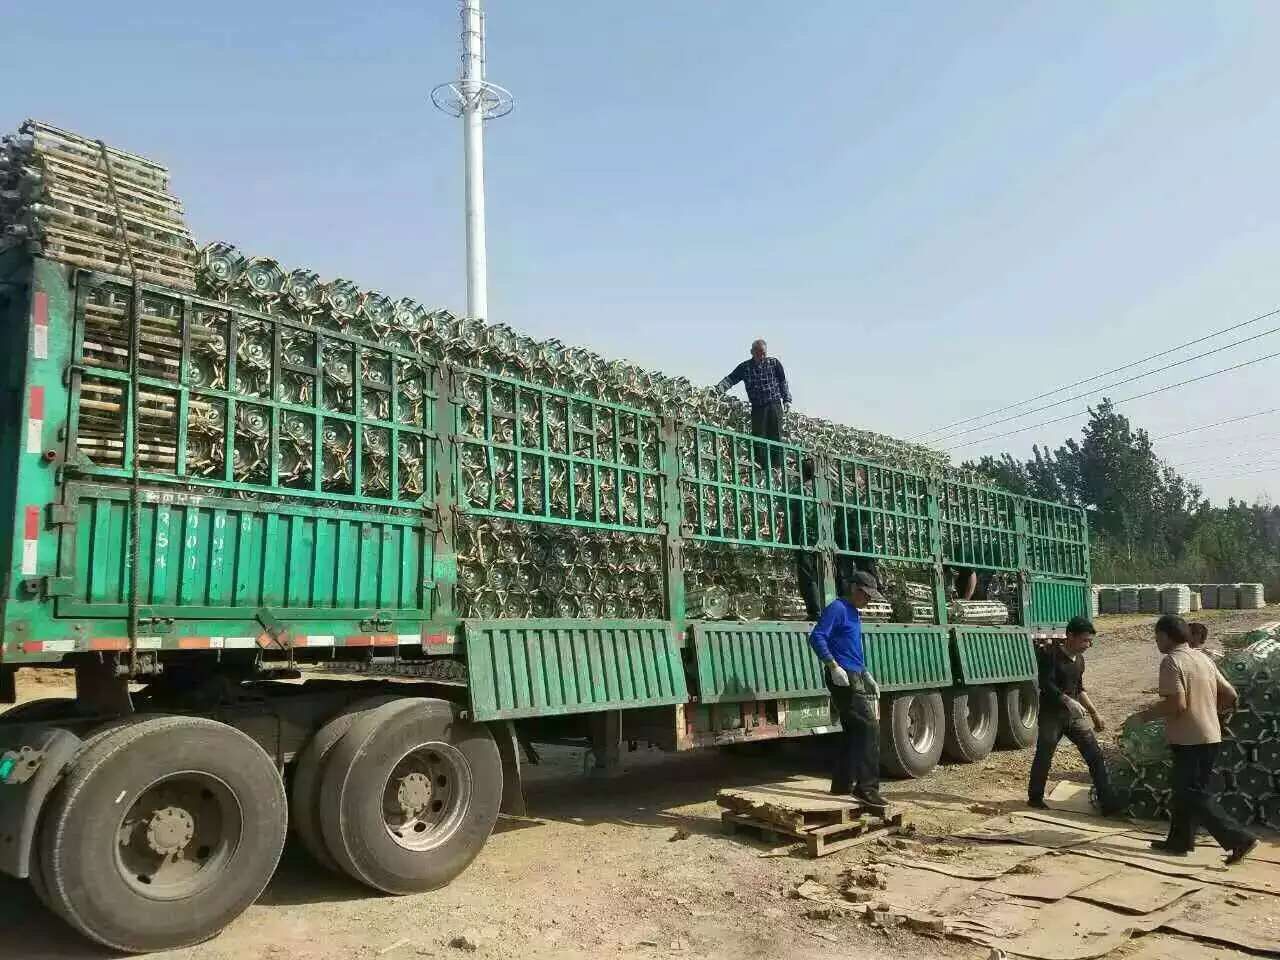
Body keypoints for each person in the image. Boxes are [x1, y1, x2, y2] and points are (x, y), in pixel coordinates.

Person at [1136, 614, 1256, 864]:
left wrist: (1143, 716)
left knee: (1190, 793)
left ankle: (1238, 838)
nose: (1156, 642)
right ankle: (1179, 841)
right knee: (1186, 792)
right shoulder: (1203, 658)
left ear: (1166, 636)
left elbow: (1176, 704)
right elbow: (1230, 694)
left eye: (1157, 637)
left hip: (1188, 739)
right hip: (1210, 735)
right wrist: (1209, 711)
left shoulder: (1171, 661)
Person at [808, 571, 888, 811]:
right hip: (842, 677)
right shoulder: (838, 608)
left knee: (854, 730)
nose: (869, 600)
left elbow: (853, 649)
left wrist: (866, 673)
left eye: (871, 597)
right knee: (869, 727)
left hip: (855, 674)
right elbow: (817, 637)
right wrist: (833, 666)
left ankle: (842, 784)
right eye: (866, 595)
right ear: (854, 588)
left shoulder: (853, 612)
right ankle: (867, 789)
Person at [1027, 616, 1120, 814]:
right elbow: (1045, 684)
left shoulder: (1080, 660)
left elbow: (1079, 689)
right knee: (1044, 756)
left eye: (1090, 641)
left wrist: (1094, 713)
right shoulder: (1050, 655)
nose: (1088, 645)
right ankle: (1035, 798)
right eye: (1085, 640)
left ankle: (1108, 803)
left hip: (1074, 717)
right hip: (1052, 716)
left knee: (1095, 756)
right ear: (1070, 636)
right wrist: (1068, 701)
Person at [717, 340, 792, 466]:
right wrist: (718, 389)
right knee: (759, 436)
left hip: (774, 404)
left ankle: (777, 466)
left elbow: (783, 382)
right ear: (752, 352)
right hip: (758, 407)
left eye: (763, 353)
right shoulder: (745, 367)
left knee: (776, 435)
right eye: (758, 353)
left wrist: (787, 400)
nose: (761, 356)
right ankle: (760, 466)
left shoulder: (774, 363)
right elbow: (731, 379)